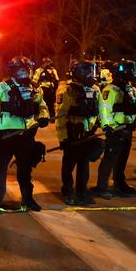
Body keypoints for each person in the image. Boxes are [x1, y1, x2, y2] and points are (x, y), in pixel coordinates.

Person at [0, 56, 49, 211]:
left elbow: (42, 106)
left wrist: (43, 117)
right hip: (6, 136)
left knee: (25, 169)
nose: (24, 73)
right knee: (1, 169)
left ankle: (28, 199)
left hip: (26, 135)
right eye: (20, 70)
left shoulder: (35, 88)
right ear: (13, 71)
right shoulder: (2, 88)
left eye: (26, 70)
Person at [55, 60, 102, 205]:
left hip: (88, 133)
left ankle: (81, 192)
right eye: (87, 72)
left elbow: (101, 111)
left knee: (83, 164)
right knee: (69, 164)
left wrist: (102, 126)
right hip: (72, 134)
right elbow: (60, 116)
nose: (90, 75)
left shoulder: (95, 90)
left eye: (91, 72)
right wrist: (63, 138)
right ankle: (68, 190)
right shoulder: (67, 90)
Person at [92, 59, 136, 199]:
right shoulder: (110, 89)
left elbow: (134, 108)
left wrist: (134, 120)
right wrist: (107, 126)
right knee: (109, 159)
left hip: (128, 129)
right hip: (115, 130)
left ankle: (120, 184)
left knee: (122, 159)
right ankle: (101, 187)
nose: (132, 74)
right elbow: (105, 110)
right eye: (130, 71)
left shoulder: (130, 89)